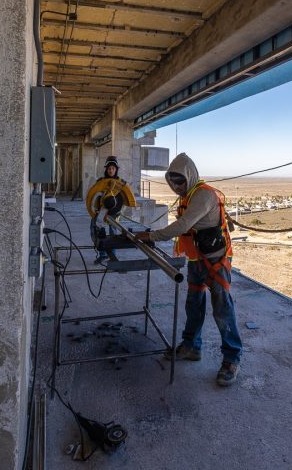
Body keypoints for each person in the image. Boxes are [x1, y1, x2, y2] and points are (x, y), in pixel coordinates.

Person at [135, 153, 242, 386]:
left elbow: (183, 225)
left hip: (215, 261)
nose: (176, 186)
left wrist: (151, 236)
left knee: (222, 308)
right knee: (193, 304)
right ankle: (192, 346)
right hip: (197, 259)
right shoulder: (190, 196)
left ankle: (232, 358)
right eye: (173, 182)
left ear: (190, 176)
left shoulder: (203, 195)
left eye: (180, 181)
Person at [91, 156, 124, 264]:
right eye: (109, 168)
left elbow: (124, 199)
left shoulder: (120, 183)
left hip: (114, 212)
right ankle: (103, 255)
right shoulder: (100, 182)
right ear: (106, 169)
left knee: (113, 233)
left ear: (116, 169)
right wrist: (95, 210)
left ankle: (112, 256)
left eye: (113, 168)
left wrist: (120, 211)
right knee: (98, 231)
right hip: (101, 211)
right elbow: (94, 196)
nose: (111, 170)